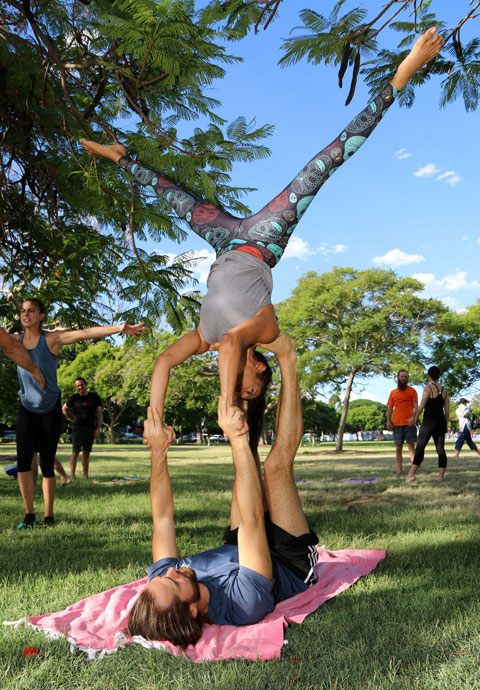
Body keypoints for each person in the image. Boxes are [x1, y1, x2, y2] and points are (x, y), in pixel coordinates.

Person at [80, 29, 443, 441]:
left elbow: (163, 361)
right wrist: (228, 405)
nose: (240, 388)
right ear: (260, 367)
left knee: (167, 192)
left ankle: (121, 157)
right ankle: (402, 74)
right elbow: (234, 340)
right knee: (327, 160)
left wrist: (155, 416)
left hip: (222, 241)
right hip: (264, 240)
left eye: (240, 393)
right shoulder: (265, 331)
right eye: (249, 388)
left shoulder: (203, 339)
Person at [126, 333, 319, 647]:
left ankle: (242, 361)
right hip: (287, 563)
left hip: (241, 546)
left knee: (246, 464)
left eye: (162, 577)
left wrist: (158, 451)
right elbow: (253, 519)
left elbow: (162, 518)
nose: (171, 572)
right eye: (173, 582)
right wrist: (237, 439)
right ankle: (287, 358)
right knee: (275, 468)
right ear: (192, 609)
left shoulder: (164, 582)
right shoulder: (243, 605)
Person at [13, 297, 145, 529]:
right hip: (26, 408)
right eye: (23, 311)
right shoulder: (14, 342)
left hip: (50, 408)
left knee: (46, 462)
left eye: (31, 311)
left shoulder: (51, 339)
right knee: (24, 461)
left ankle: (48, 516)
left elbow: (84, 333)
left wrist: (118, 328)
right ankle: (28, 515)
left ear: (41, 316)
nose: (26, 314)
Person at [405, 366, 449, 483]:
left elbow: (421, 406)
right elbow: (447, 411)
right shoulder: (444, 390)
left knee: (420, 447)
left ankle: (410, 474)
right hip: (440, 422)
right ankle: (440, 477)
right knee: (440, 449)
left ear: (429, 376)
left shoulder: (428, 388)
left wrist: (414, 417)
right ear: (439, 376)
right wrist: (445, 425)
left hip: (429, 422)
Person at [63, 377, 103, 481]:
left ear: (86, 384)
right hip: (77, 428)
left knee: (86, 453)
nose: (80, 387)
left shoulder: (94, 397)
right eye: (78, 386)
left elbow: (99, 413)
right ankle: (73, 476)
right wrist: (71, 417)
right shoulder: (74, 398)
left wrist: (98, 428)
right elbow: (64, 409)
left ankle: (86, 476)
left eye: (82, 384)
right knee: (75, 452)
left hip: (90, 428)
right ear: (76, 387)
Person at [386, 369, 418, 475]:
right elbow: (390, 408)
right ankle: (399, 470)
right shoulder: (393, 393)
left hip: (409, 424)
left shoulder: (412, 391)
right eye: (402, 376)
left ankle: (413, 471)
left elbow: (416, 406)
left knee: (411, 447)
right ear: (398, 377)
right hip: (397, 424)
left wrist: (414, 417)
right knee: (398, 448)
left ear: (408, 378)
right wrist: (388, 421)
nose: (404, 378)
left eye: (406, 377)